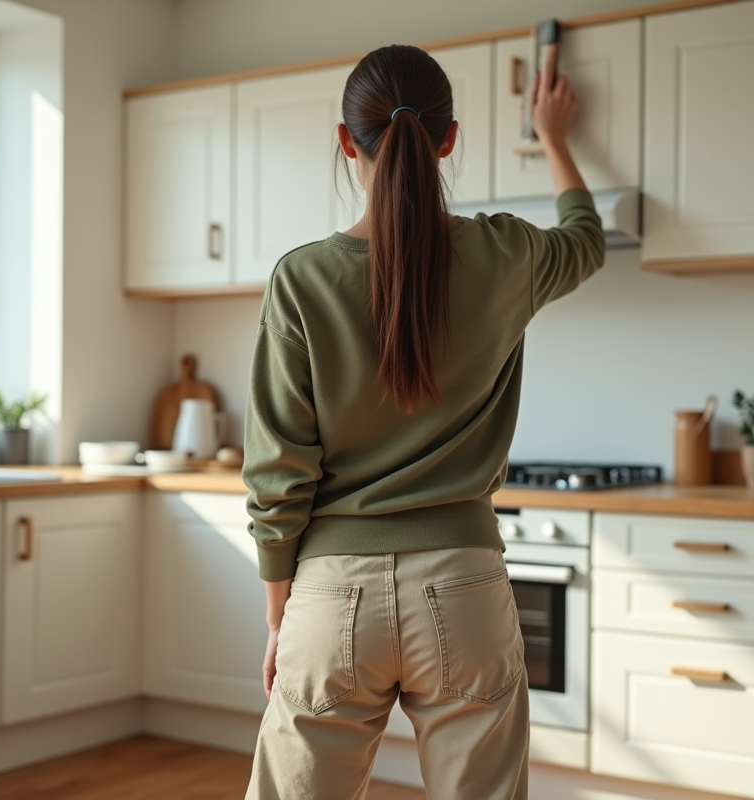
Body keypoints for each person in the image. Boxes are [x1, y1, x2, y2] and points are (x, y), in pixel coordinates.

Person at [242, 41, 604, 800]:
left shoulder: (301, 279)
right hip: (465, 588)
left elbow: (279, 472)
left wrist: (280, 617)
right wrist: (553, 138)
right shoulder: (508, 253)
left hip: (331, 594)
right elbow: (585, 240)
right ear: (449, 140)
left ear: (347, 142)